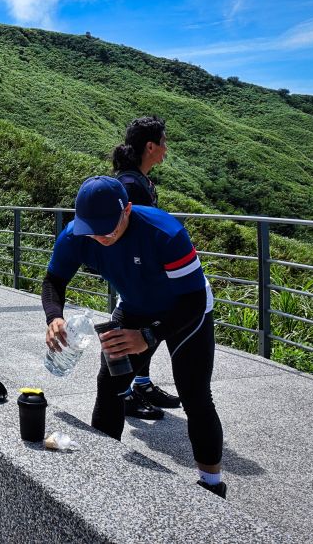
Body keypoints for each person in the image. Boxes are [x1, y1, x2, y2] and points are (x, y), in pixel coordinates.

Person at [42, 176, 225, 498]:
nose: (102, 236)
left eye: (109, 227)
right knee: (109, 386)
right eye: (93, 229)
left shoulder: (164, 232)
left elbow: (194, 301)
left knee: (195, 395)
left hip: (184, 312)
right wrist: (54, 317)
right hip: (135, 307)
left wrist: (149, 336)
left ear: (127, 209)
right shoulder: (76, 235)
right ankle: (103, 465)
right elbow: (54, 281)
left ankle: (212, 484)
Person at [110, 116, 180, 420]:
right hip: (137, 272)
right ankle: (126, 393)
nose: (166, 149)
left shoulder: (138, 179)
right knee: (137, 329)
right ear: (150, 146)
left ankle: (141, 383)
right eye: (163, 143)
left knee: (143, 328)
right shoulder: (130, 185)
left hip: (143, 269)